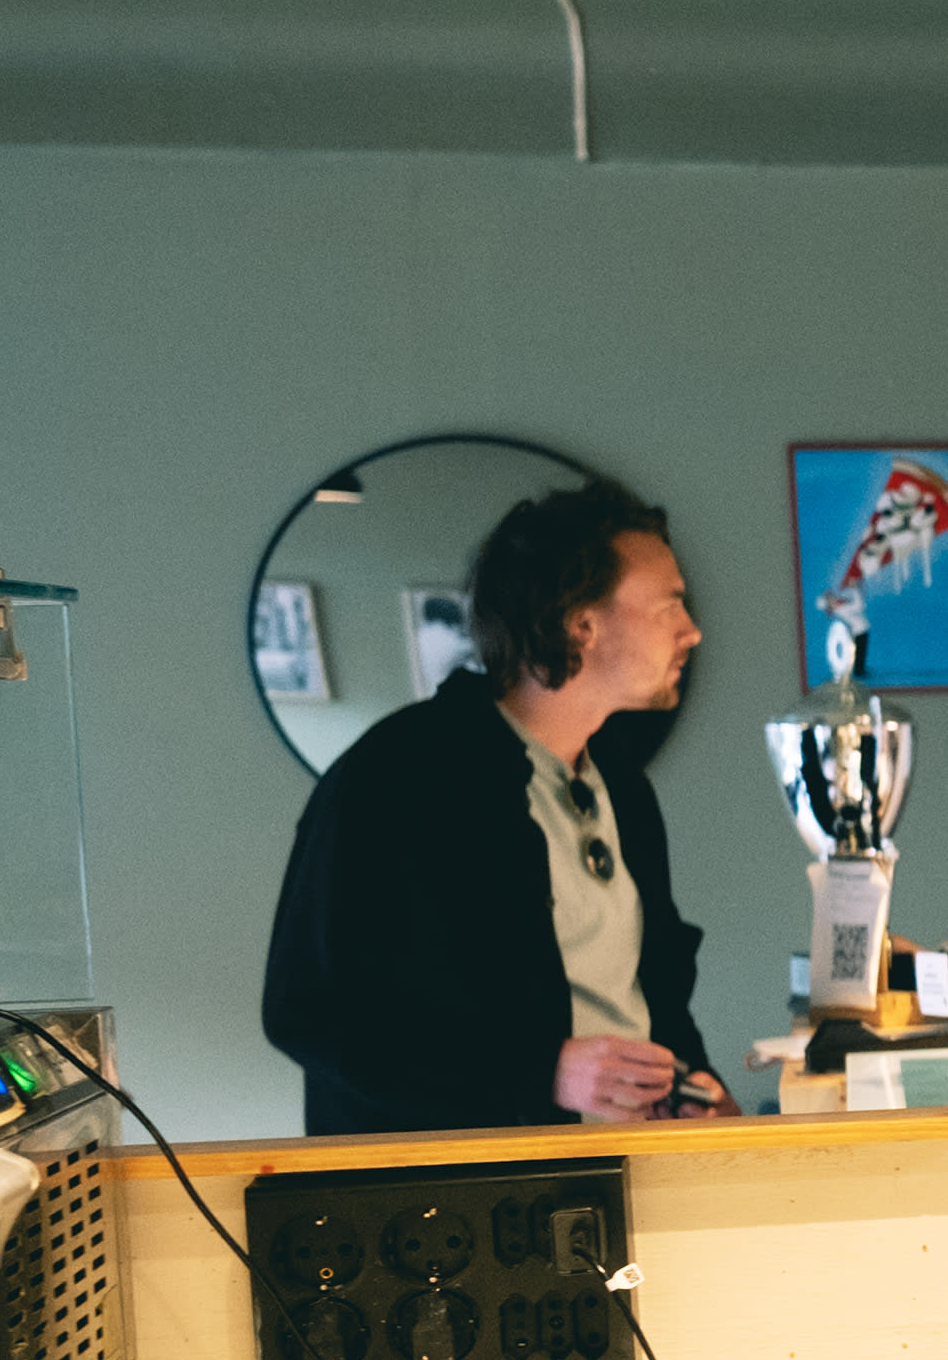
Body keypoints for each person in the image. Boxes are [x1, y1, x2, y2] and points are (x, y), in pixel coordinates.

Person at [262, 478, 728, 1134]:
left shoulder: (622, 786)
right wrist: (542, 1072)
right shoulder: (395, 774)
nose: (692, 630)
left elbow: (652, 991)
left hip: (624, 1168)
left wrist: (691, 1081)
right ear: (581, 622)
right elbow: (308, 1012)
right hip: (459, 1200)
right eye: (669, 604)